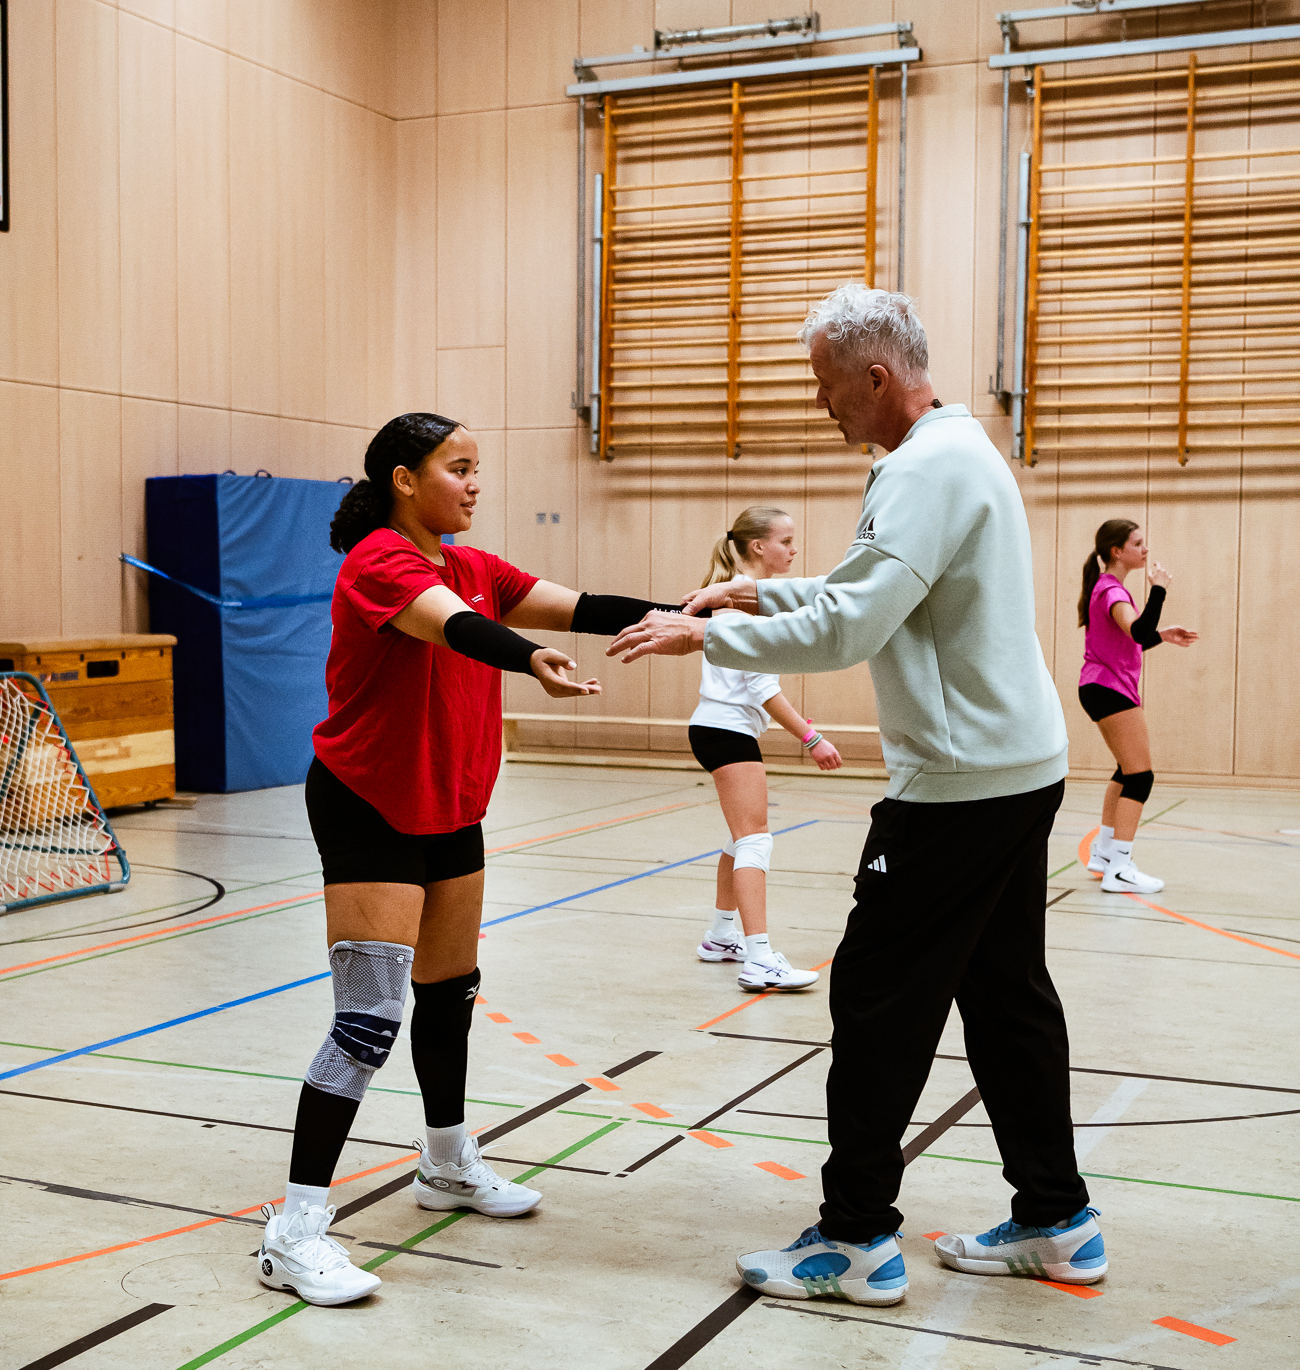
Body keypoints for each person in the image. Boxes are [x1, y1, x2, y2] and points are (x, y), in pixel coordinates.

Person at [609, 285, 1106, 1307]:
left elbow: (853, 627)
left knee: (876, 997)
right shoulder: (949, 454)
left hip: (959, 786)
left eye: (826, 384)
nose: (821, 403)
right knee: (1005, 995)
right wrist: (757, 591)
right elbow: (872, 589)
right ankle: (1057, 1216)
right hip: (1012, 765)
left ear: (876, 376)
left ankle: (852, 1239)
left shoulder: (924, 467)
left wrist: (708, 633)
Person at [257, 412, 678, 1306]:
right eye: (458, 468)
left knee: (448, 995)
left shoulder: (474, 565)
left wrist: (685, 613)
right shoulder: (382, 560)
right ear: (405, 480)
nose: (475, 484)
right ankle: (293, 1232)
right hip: (370, 802)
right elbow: (454, 630)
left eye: (478, 468)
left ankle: (445, 1162)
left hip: (451, 805)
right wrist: (531, 660)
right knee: (367, 1021)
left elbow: (581, 605)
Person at [692, 505, 842, 991]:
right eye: (785, 541)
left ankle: (720, 937)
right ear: (759, 547)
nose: (793, 550)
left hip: (719, 728)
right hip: (726, 730)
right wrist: (812, 739)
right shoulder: (739, 603)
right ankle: (759, 959)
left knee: (741, 838)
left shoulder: (740, 596)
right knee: (756, 839)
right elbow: (761, 688)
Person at [1078, 520, 1197, 894]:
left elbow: (1134, 640)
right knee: (1140, 776)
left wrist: (1161, 636)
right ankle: (1120, 867)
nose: (1145, 550)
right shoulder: (1111, 591)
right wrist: (1159, 590)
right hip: (1108, 688)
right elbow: (1137, 632)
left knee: (1126, 771)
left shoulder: (1108, 589)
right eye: (1138, 544)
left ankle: (1104, 852)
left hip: (1102, 687)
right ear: (1117, 551)